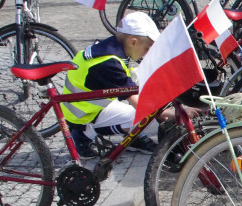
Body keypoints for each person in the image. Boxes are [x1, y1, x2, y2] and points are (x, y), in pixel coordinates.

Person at [61, 13, 164, 158]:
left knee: (146, 89)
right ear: (133, 42)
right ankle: (83, 135)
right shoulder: (109, 62)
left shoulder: (112, 47)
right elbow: (141, 106)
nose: (146, 54)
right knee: (150, 119)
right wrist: (171, 113)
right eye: (147, 48)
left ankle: (131, 136)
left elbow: (129, 79)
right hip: (83, 115)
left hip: (88, 105)